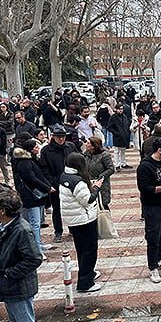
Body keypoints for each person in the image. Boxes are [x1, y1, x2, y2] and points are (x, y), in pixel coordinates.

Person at [59, 153, 103, 292]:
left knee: (82, 249)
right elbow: (88, 199)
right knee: (89, 250)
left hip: (74, 219)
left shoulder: (65, 175)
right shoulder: (77, 181)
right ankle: (85, 283)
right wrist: (96, 187)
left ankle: (88, 273)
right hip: (83, 219)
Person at [136, 137, 161, 283]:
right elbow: (144, 188)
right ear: (160, 150)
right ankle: (152, 267)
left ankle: (159, 259)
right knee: (153, 237)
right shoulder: (145, 166)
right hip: (152, 207)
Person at [0, 188, 43, 322]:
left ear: (3, 211)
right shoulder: (6, 226)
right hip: (10, 287)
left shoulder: (22, 230)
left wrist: (10, 273)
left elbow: (34, 259)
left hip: (18, 287)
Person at [13, 139, 53, 260]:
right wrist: (47, 187)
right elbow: (32, 179)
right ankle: (37, 250)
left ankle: (39, 243)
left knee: (37, 222)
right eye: (36, 146)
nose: (38, 148)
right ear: (30, 149)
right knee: (34, 223)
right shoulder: (24, 162)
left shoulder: (31, 160)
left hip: (37, 195)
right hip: (31, 196)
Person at [39, 125, 77, 243]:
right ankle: (58, 231)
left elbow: (77, 162)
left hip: (71, 183)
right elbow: (44, 169)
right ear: (53, 137)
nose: (61, 139)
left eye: (63, 137)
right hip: (56, 184)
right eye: (59, 137)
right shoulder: (46, 150)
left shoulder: (70, 147)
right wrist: (53, 182)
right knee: (57, 209)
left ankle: (73, 228)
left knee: (72, 207)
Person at [84, 136, 116, 210]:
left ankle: (105, 221)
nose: (86, 144)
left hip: (102, 185)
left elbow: (111, 169)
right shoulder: (86, 154)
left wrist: (100, 177)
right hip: (89, 183)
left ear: (94, 146)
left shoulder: (104, 155)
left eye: (88, 143)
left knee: (103, 206)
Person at [107, 104, 132, 171]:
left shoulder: (124, 116)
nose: (121, 110)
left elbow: (127, 126)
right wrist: (116, 133)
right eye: (119, 109)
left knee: (123, 150)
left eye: (122, 109)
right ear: (116, 109)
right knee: (116, 151)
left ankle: (123, 163)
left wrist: (127, 133)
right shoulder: (113, 117)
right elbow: (109, 127)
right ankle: (117, 165)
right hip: (117, 137)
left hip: (124, 136)